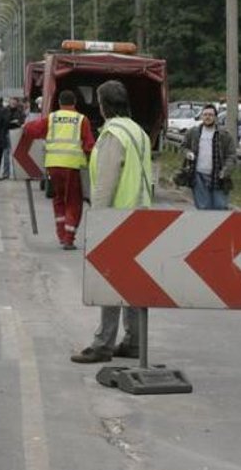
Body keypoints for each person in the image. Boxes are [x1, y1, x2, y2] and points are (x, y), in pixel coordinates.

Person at [71, 81, 153, 364]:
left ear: (103, 106)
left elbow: (106, 183)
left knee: (110, 280)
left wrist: (97, 223)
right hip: (142, 214)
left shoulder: (112, 134)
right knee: (134, 281)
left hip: (117, 217)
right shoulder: (138, 131)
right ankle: (133, 341)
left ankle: (103, 343)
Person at [22, 90, 95, 250]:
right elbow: (89, 144)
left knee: (59, 200)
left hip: (53, 166)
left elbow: (31, 129)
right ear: (74, 102)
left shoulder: (52, 118)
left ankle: (61, 235)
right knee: (74, 201)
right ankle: (69, 238)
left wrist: (24, 126)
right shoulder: (81, 119)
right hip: (73, 166)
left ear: (59, 103)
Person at [182, 104, 236, 210]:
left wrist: (226, 171)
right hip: (198, 175)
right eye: (205, 114)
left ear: (215, 117)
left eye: (210, 115)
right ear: (202, 116)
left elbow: (231, 155)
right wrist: (188, 153)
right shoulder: (193, 132)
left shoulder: (224, 135)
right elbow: (183, 146)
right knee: (203, 207)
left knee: (220, 206)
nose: (207, 117)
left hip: (219, 176)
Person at [0, 97, 25, 179]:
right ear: (9, 102)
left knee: (16, 154)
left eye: (15, 102)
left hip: (16, 132)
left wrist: (19, 122)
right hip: (7, 132)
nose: (13, 103)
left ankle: (16, 173)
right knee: (6, 154)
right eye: (12, 102)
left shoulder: (20, 111)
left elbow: (22, 120)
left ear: (17, 103)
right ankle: (6, 173)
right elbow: (3, 121)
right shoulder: (5, 110)